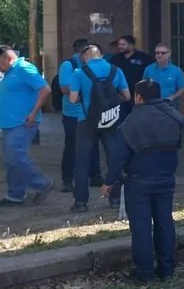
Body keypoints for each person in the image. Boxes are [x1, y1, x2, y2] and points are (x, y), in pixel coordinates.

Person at [102, 79, 184, 284]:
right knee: (165, 221)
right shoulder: (172, 115)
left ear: (138, 97)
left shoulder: (131, 121)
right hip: (166, 176)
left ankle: (144, 272)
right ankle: (167, 268)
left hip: (139, 180)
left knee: (141, 227)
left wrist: (109, 182)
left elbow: (119, 157)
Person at [68, 44, 131, 212]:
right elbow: (127, 96)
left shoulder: (79, 72)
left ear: (85, 57)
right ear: (101, 55)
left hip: (86, 122)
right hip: (110, 121)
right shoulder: (116, 70)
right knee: (113, 159)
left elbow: (73, 99)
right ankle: (115, 199)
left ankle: (80, 203)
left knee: (82, 162)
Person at [0, 44, 53, 205]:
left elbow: (45, 89)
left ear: (7, 58)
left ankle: (42, 184)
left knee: (15, 156)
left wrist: (34, 112)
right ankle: (15, 194)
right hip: (10, 123)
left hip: (23, 123)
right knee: (11, 159)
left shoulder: (24, 68)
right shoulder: (9, 72)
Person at [58, 38, 102, 193]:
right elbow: (64, 88)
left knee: (94, 145)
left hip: (91, 112)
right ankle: (68, 179)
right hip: (73, 113)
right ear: (81, 52)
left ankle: (95, 175)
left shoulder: (92, 66)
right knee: (72, 145)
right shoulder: (69, 65)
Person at [109, 35, 152, 123]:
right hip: (120, 95)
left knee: (137, 120)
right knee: (121, 120)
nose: (120, 46)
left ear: (131, 45)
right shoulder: (115, 59)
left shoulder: (143, 58)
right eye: (119, 44)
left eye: (123, 44)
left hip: (137, 94)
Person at [143, 44, 184, 110]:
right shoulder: (148, 69)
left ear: (169, 54)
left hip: (170, 105)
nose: (159, 55)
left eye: (163, 53)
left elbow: (182, 89)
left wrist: (172, 97)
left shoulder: (176, 71)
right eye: (157, 53)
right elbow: (145, 86)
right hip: (152, 106)